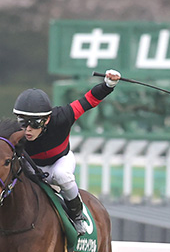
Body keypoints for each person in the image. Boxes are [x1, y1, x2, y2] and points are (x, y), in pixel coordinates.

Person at [11, 69, 122, 234]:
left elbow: (89, 100)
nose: (27, 129)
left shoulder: (63, 116)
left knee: (61, 175)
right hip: (31, 167)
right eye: (23, 122)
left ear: (47, 119)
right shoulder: (14, 133)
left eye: (35, 123)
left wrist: (108, 85)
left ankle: (77, 216)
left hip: (60, 161)